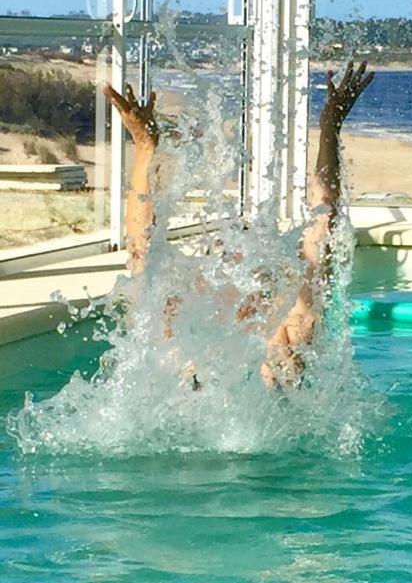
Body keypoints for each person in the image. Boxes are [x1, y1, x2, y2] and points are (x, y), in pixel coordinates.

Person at [103, 62, 374, 388]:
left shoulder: (284, 335)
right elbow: (141, 246)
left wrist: (329, 129)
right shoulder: (175, 326)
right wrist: (145, 148)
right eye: (223, 255)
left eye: (246, 261)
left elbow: (323, 224)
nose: (231, 265)